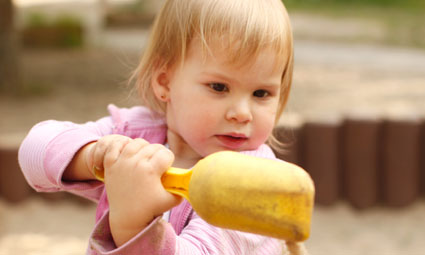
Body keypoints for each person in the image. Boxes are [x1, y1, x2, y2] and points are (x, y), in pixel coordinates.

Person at [19, 0, 306, 254]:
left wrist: (134, 225)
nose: (242, 113)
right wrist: (96, 157)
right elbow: (35, 152)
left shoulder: (255, 182)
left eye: (261, 94)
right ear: (165, 82)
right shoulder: (137, 134)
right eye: (219, 87)